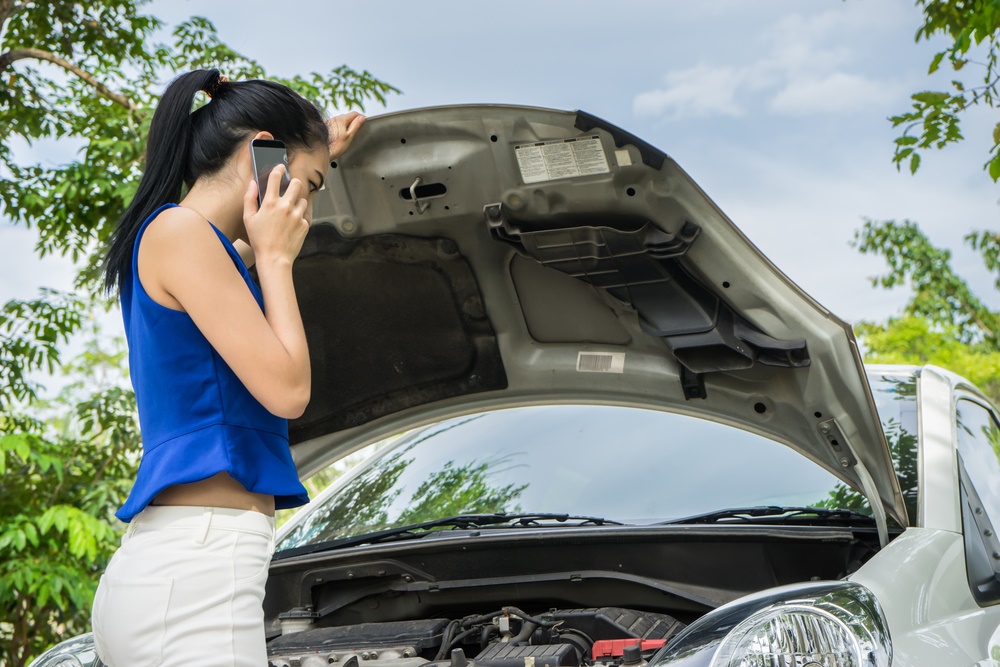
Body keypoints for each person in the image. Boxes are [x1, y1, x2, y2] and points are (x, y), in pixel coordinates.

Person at [90, 68, 364, 667]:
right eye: (310, 186)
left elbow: (237, 258)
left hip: (183, 569)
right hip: (196, 571)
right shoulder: (180, 232)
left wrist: (316, 148)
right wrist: (276, 257)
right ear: (259, 153)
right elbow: (288, 391)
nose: (307, 209)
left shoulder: (198, 245)